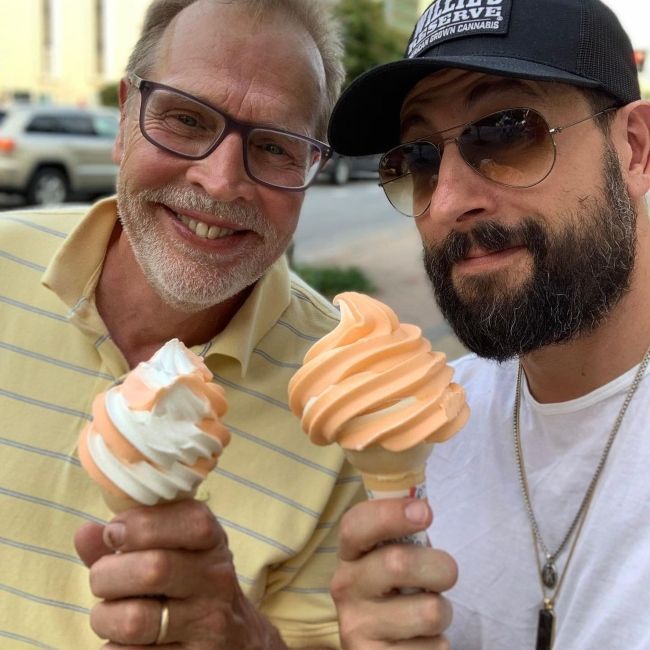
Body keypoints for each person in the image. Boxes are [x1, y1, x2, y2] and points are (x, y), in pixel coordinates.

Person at [0, 1, 366, 648]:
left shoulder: (347, 400)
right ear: (123, 120)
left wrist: (241, 636)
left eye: (276, 146)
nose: (221, 182)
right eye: (186, 119)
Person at [327, 0, 650, 648]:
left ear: (636, 149)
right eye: (419, 155)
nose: (446, 201)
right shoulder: (426, 424)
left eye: (505, 128)